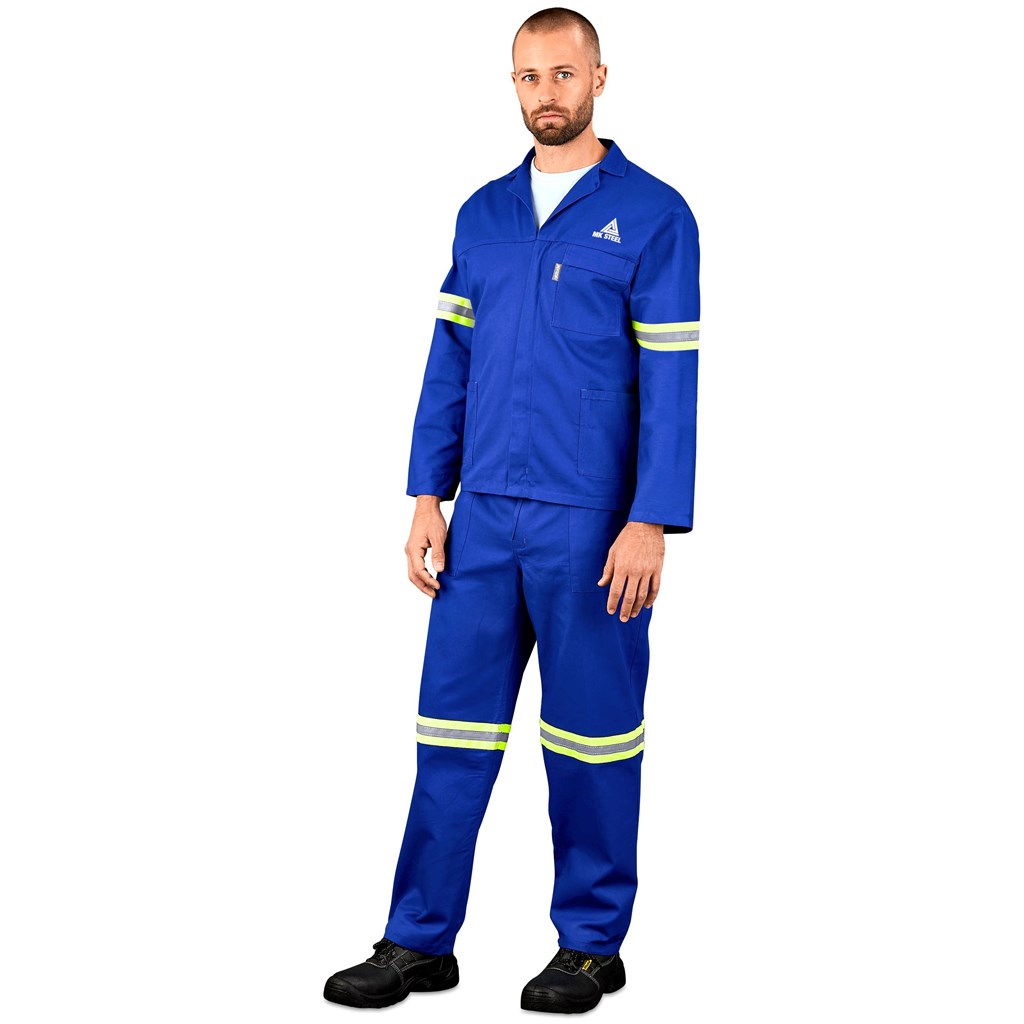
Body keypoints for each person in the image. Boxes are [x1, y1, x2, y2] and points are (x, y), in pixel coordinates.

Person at [323, 6, 700, 1014]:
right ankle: (418, 940)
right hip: (482, 518)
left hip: (593, 524)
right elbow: (448, 360)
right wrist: (425, 496)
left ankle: (590, 945)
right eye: (529, 76)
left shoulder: (655, 214)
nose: (546, 92)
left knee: (590, 741)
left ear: (599, 79)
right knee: (449, 733)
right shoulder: (482, 215)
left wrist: (652, 518)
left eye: (563, 73)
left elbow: (672, 380)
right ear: (514, 85)